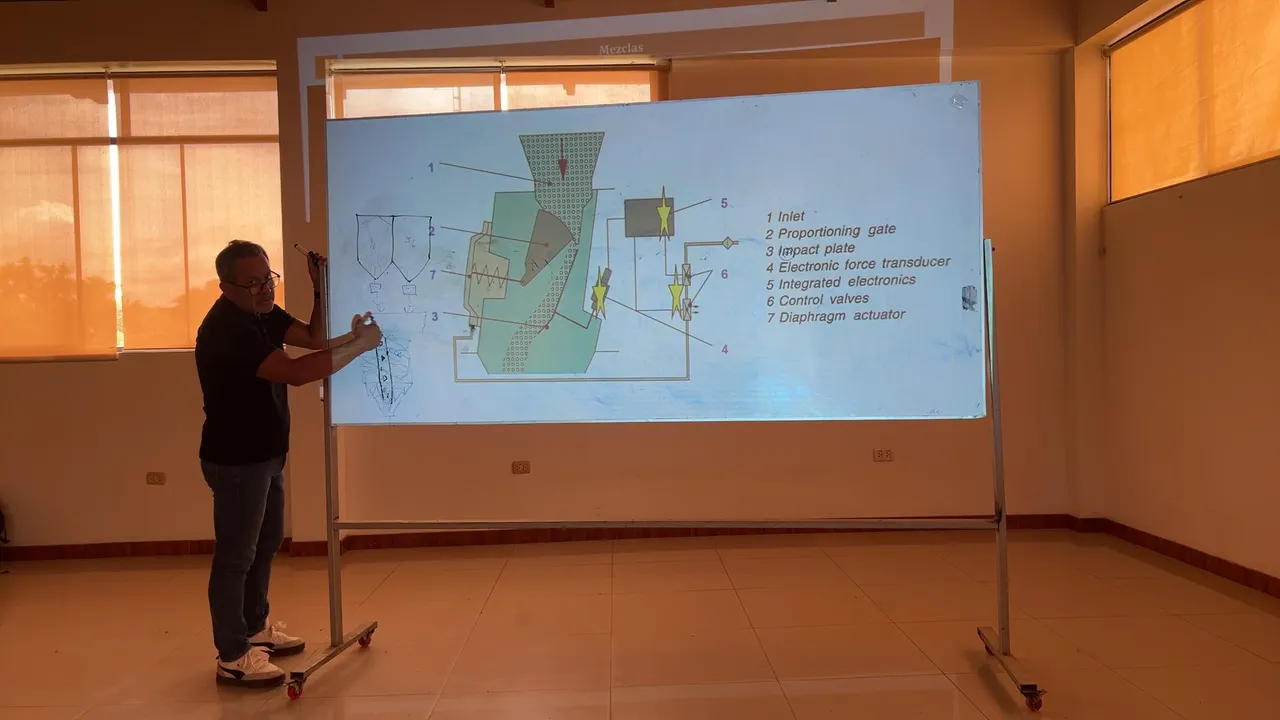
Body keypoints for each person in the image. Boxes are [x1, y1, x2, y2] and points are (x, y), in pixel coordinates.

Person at [194, 239, 382, 688]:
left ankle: (255, 628)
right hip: (237, 460)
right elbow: (297, 372)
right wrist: (360, 347)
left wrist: (320, 290)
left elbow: (313, 340)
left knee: (266, 543)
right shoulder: (227, 329)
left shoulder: (261, 313)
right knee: (236, 556)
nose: (265, 289)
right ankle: (232, 655)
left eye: (268, 279)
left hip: (267, 453)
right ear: (225, 287)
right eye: (253, 283)